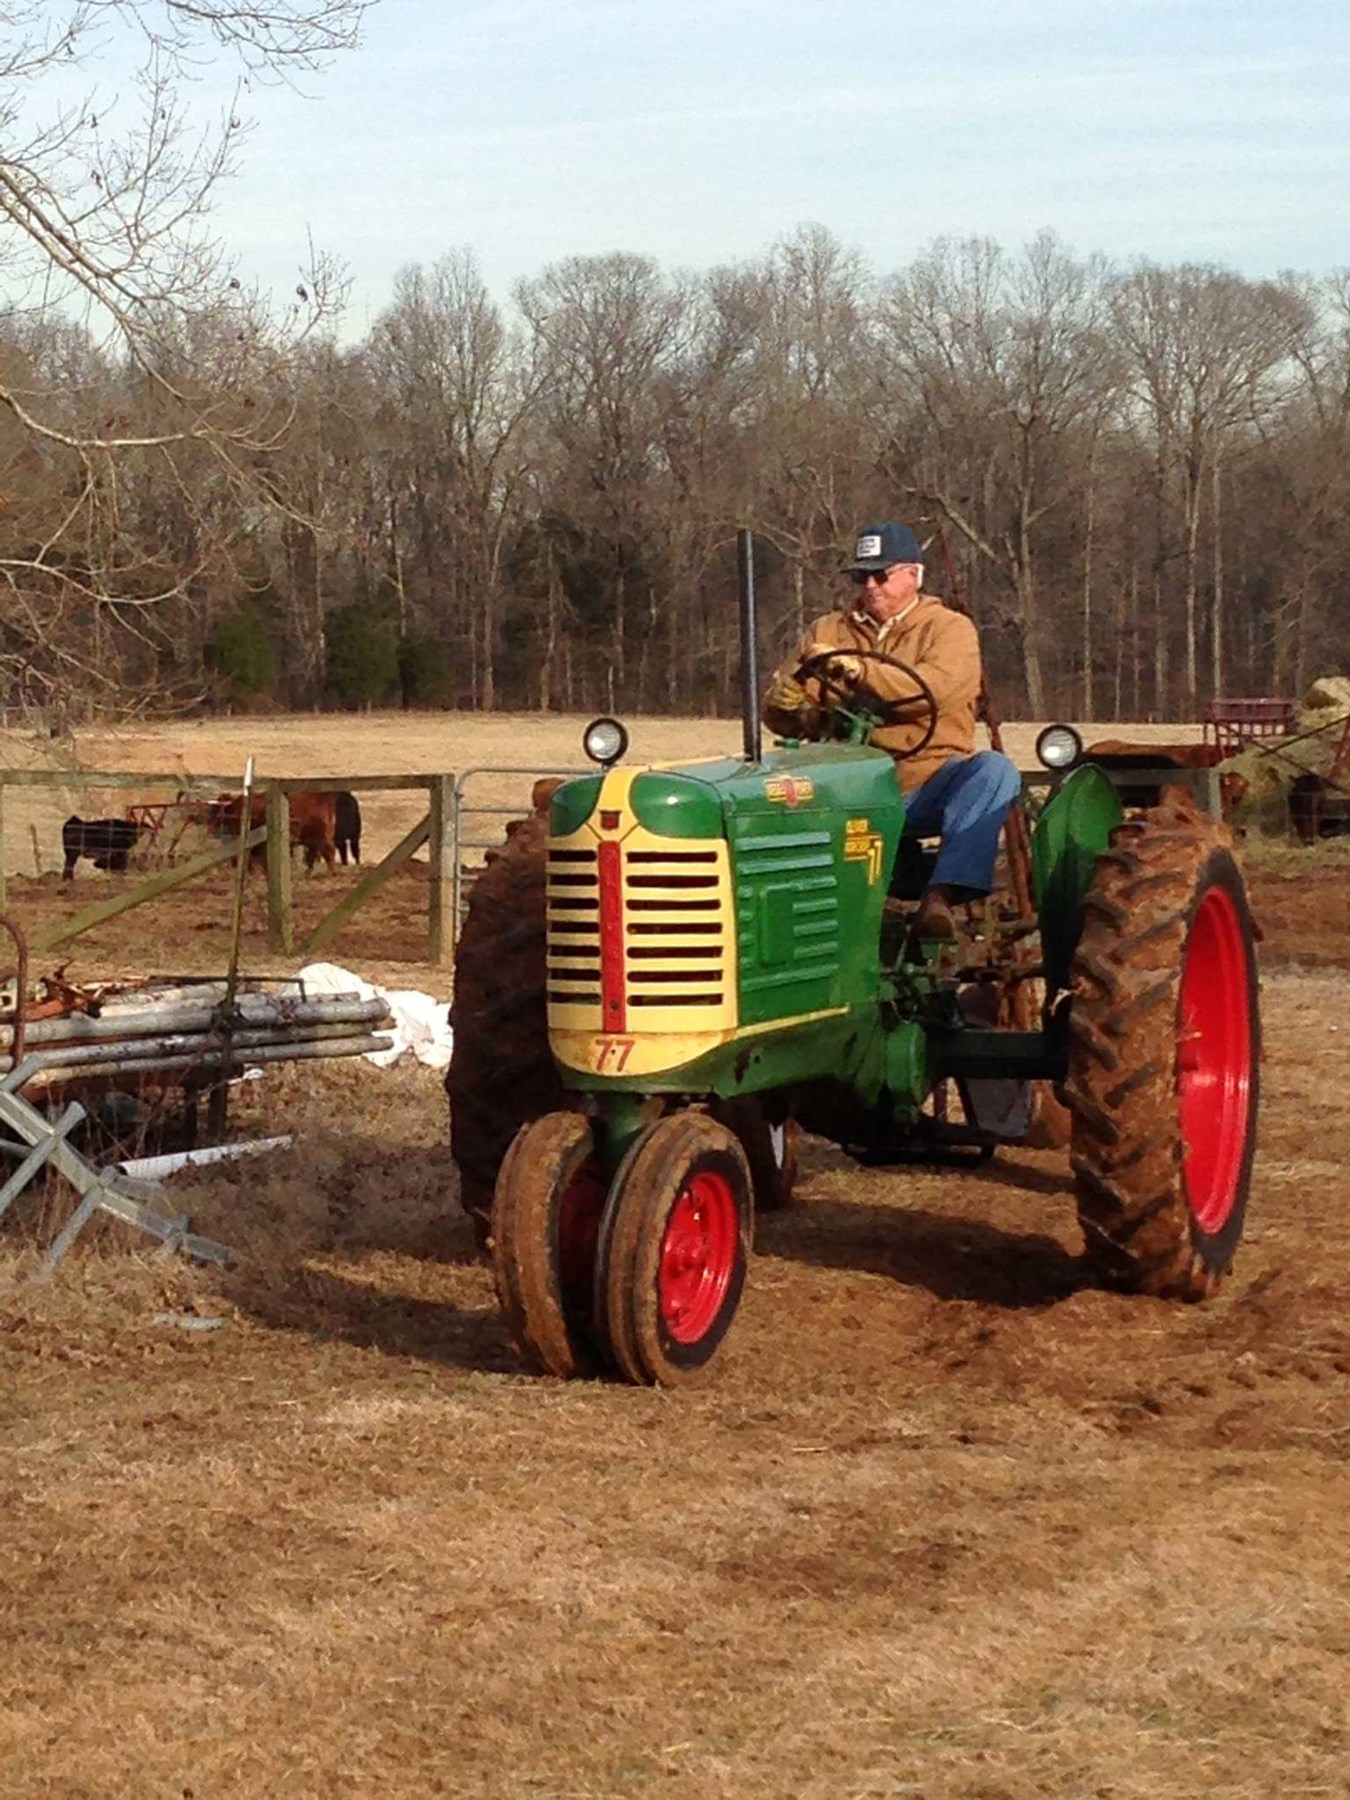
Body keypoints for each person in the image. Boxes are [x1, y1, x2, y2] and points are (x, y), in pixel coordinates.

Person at [763, 520, 1021, 939]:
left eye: (881, 574)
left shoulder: (948, 629)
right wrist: (787, 707)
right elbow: (790, 704)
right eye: (861, 576)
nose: (871, 585)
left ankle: (941, 896)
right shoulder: (828, 631)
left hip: (922, 781)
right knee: (764, 785)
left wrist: (861, 672)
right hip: (843, 786)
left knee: (994, 772)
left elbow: (932, 691)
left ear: (913, 575)